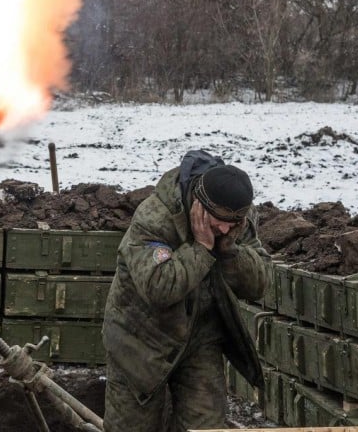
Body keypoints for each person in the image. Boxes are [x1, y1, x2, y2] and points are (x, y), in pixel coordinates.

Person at [101, 149, 270, 432]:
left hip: (201, 337)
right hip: (139, 340)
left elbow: (259, 284)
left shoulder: (234, 220)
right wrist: (201, 249)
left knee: (206, 426)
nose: (226, 229)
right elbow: (159, 287)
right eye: (219, 222)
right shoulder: (155, 217)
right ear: (199, 204)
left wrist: (229, 251)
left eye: (234, 224)